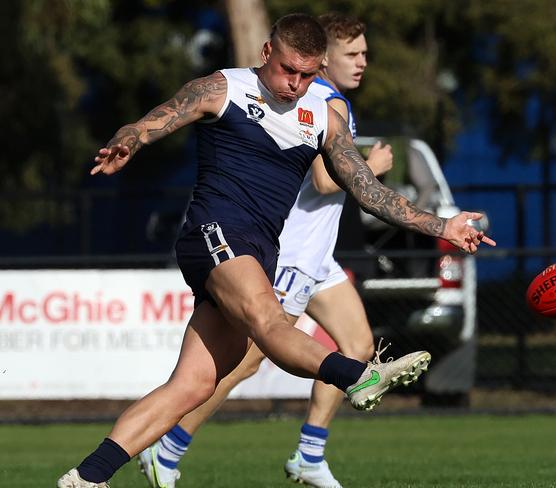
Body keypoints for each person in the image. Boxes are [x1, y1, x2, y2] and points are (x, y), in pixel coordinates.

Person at [57, 13, 494, 488]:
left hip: (259, 251)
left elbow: (369, 191)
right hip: (215, 231)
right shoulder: (224, 88)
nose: (295, 83)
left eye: (308, 74)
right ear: (267, 53)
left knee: (195, 385)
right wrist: (130, 139)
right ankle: (358, 376)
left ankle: (86, 478)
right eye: (288, 70)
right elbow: (159, 117)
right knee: (268, 322)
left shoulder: (324, 117)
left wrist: (442, 225)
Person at [137, 13, 392, 488]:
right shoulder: (318, 100)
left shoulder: (331, 103)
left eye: (365, 53)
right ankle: (167, 449)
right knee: (245, 359)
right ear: (325, 60)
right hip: (291, 250)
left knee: (357, 345)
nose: (362, 63)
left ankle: (309, 456)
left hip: (321, 254)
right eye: (352, 55)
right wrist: (370, 167)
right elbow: (321, 179)